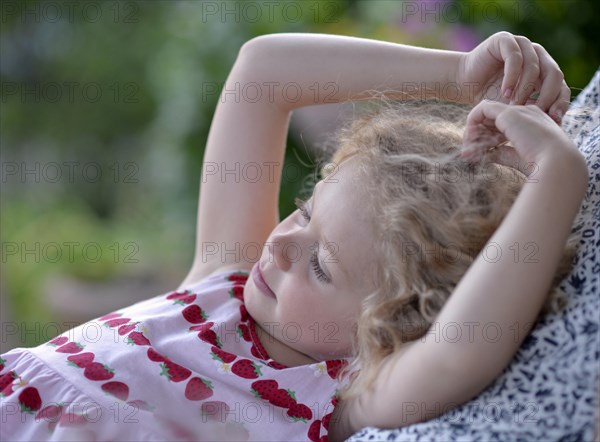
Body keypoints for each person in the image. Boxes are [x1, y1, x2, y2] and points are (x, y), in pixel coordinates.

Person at [0, 32, 588, 441]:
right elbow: (262, 72)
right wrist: (461, 75)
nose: (280, 245)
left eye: (323, 266)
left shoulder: (341, 397)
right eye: (305, 212)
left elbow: (460, 350)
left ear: (391, 321)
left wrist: (559, 174)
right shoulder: (221, 281)